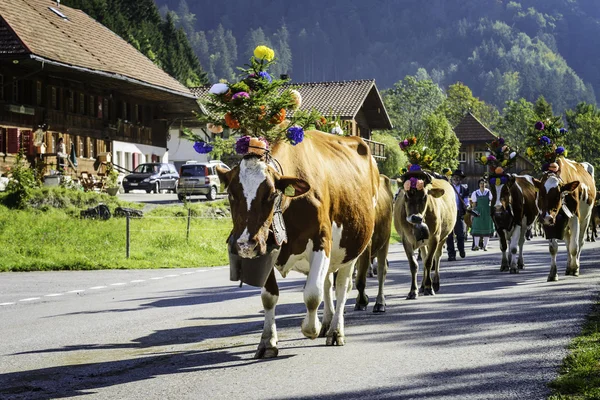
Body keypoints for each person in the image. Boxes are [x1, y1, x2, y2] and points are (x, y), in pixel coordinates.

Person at [446, 169, 469, 261]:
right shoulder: (448, 187)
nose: (456, 179)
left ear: (461, 179)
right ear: (452, 178)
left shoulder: (464, 188)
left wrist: (467, 205)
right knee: (449, 236)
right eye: (455, 177)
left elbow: (466, 199)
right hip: (448, 214)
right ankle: (451, 254)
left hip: (458, 213)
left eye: (459, 178)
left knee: (460, 234)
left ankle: (461, 249)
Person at [470, 178, 495, 251]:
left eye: (484, 183)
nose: (482, 185)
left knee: (486, 228)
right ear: (479, 184)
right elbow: (474, 204)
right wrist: (472, 213)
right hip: (478, 211)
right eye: (481, 183)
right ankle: (476, 245)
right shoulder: (475, 193)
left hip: (487, 211)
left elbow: (491, 201)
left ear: (486, 184)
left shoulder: (488, 192)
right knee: (477, 227)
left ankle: (485, 246)